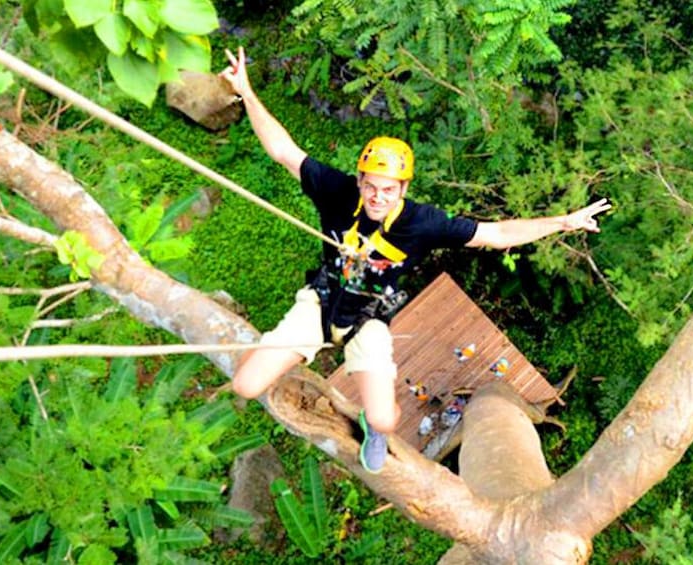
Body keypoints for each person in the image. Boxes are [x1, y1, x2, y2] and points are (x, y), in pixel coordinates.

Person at [220, 47, 611, 473]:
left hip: (369, 316)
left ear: (403, 190)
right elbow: (283, 151)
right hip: (321, 301)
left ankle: (373, 425)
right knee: (246, 384)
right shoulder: (337, 192)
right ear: (359, 181)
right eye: (371, 187)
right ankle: (298, 360)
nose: (378, 196)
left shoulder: (423, 223)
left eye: (389, 189)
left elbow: (497, 235)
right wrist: (246, 91)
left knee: (387, 419)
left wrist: (563, 222)